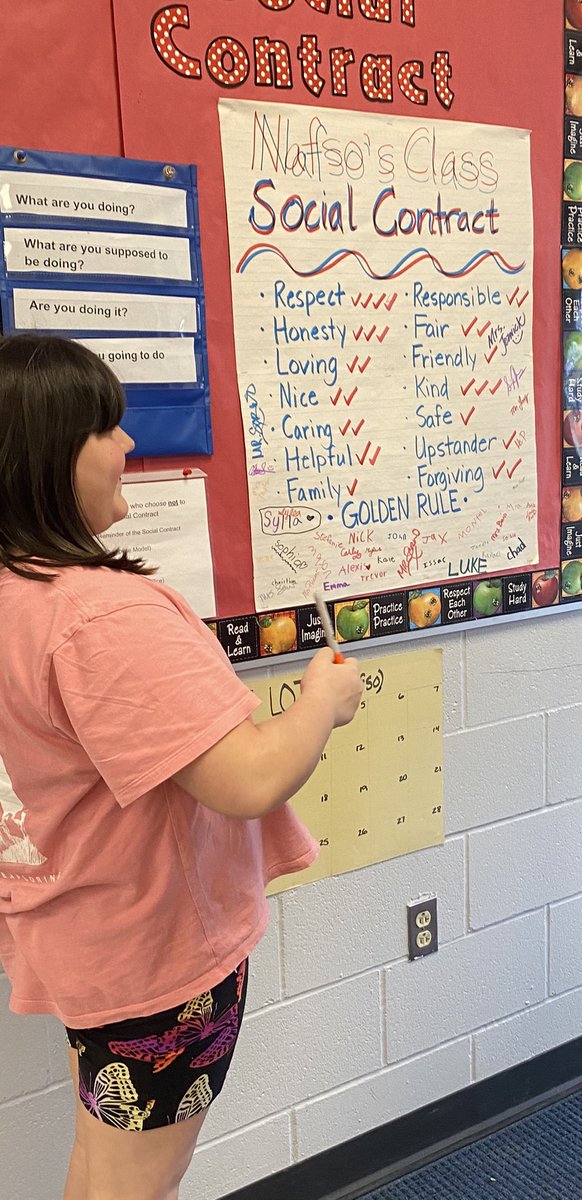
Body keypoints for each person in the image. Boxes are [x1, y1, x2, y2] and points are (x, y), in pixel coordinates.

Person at [0, 333, 363, 1200]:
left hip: (81, 936)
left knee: (103, 1164)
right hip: (156, 957)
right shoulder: (99, 616)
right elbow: (246, 779)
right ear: (49, 454)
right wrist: (322, 701)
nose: (129, 448)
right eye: (107, 429)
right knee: (138, 1183)